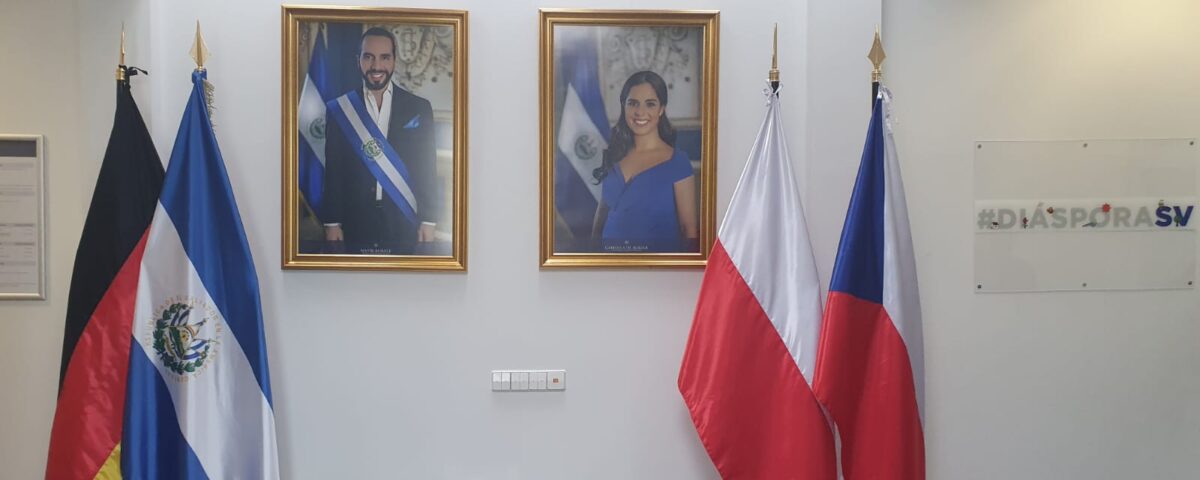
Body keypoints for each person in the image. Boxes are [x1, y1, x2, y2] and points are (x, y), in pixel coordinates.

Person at [322, 27, 440, 255]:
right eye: (369, 57)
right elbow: (333, 171)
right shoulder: (339, 109)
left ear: (394, 60)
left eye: (384, 57)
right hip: (354, 219)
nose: (376, 66)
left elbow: (428, 168)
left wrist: (429, 220)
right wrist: (331, 222)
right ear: (358, 60)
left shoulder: (419, 108)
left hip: (403, 218)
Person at [591, 70, 698, 253]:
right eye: (633, 103)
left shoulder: (677, 162)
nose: (640, 112)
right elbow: (600, 221)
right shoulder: (614, 155)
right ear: (623, 106)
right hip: (608, 270)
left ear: (661, 108)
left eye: (650, 104)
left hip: (655, 273)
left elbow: (689, 231)